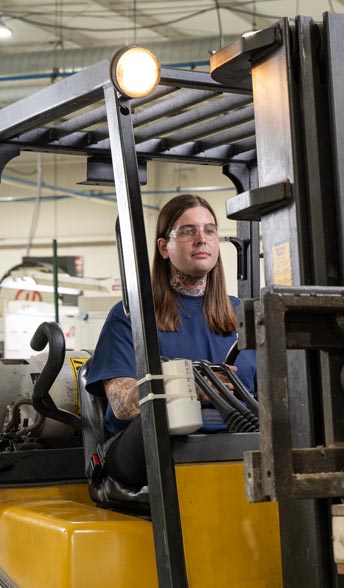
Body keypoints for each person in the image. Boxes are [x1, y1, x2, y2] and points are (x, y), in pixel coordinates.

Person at [85, 193, 256, 488]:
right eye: (188, 231)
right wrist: (191, 388)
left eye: (210, 230)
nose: (202, 239)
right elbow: (122, 404)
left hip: (232, 438)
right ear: (164, 247)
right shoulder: (132, 316)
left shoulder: (243, 314)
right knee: (167, 424)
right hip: (147, 446)